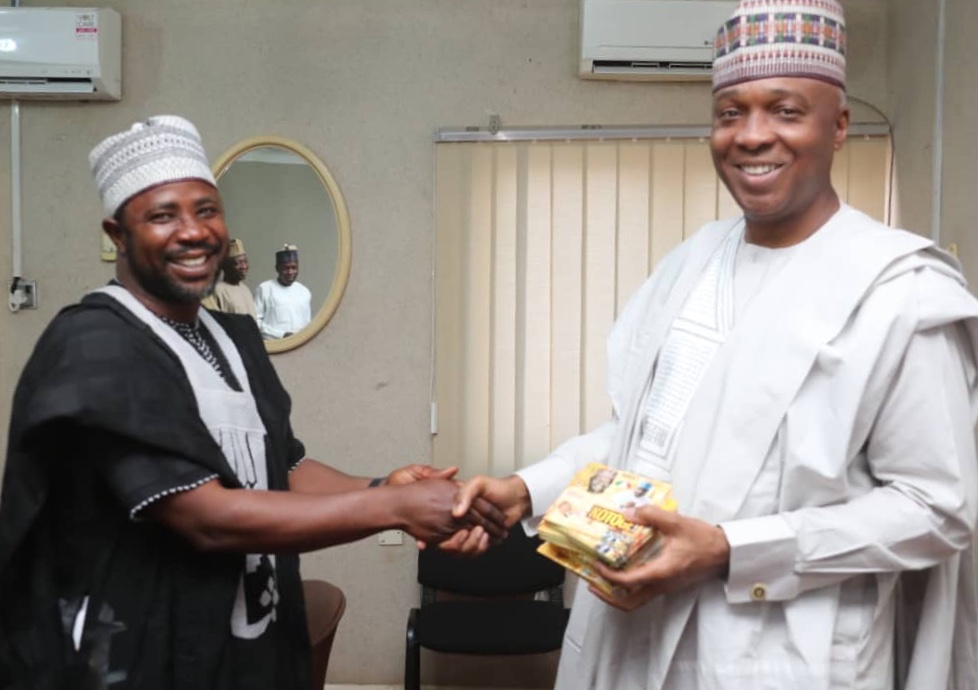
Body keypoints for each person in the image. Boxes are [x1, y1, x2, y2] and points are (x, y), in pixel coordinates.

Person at [454, 2, 978, 688]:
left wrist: (733, 550)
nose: (752, 136)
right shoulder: (690, 265)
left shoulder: (898, 291)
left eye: (785, 110)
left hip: (785, 660)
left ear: (840, 125)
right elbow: (641, 440)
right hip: (630, 638)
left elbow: (936, 508)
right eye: (730, 112)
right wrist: (530, 488)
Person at [0, 115, 503, 690]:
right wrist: (395, 511)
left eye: (206, 210)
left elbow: (281, 467)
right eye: (163, 215)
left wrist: (383, 487)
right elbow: (207, 519)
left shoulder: (233, 336)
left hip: (245, 649)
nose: (193, 231)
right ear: (118, 234)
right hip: (131, 656)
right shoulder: (95, 347)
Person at [254, 244, 312, 339]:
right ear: (277, 268)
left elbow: (307, 325)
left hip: (301, 348)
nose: (290, 272)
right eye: (286, 268)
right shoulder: (264, 289)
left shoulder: (304, 292)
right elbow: (255, 322)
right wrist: (281, 335)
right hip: (275, 348)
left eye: (294, 268)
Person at [202, 237, 257, 319]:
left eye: (245, 261)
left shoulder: (246, 289)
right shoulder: (216, 291)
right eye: (237, 263)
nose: (244, 266)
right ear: (225, 266)